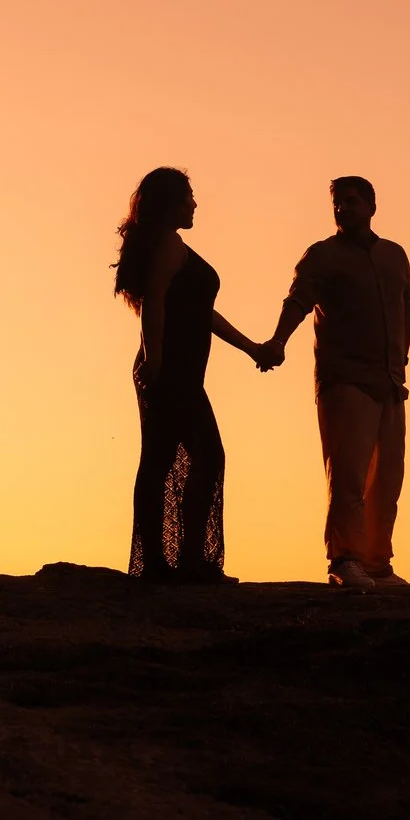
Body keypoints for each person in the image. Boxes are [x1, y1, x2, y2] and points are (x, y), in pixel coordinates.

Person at [257, 175, 410, 589]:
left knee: (387, 479)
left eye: (351, 201)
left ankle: (378, 563)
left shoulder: (395, 256)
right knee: (348, 475)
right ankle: (345, 559)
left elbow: (409, 315)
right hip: (344, 379)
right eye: (337, 203)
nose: (343, 208)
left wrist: (400, 361)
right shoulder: (323, 255)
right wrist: (278, 341)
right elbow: (297, 300)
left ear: (371, 206)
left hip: (389, 383)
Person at [114, 167, 268, 582]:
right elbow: (154, 302)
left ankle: (171, 563)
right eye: (188, 197)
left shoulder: (173, 246)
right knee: (195, 456)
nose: (195, 204)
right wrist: (155, 356)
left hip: (179, 369)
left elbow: (202, 313)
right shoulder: (168, 245)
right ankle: (181, 563)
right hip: (170, 369)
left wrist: (251, 346)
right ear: (171, 203)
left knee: (165, 460)